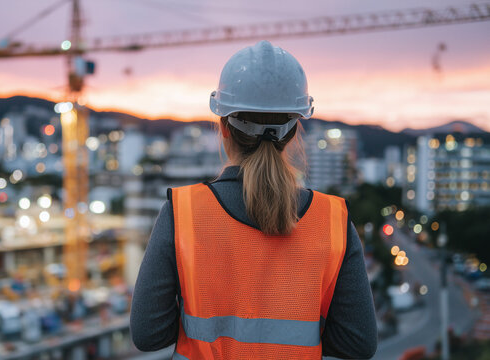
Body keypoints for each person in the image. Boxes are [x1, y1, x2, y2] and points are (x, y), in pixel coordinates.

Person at [130, 41, 377, 359]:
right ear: (293, 131)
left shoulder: (184, 213)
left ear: (223, 128)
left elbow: (148, 334)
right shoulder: (333, 220)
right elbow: (358, 343)